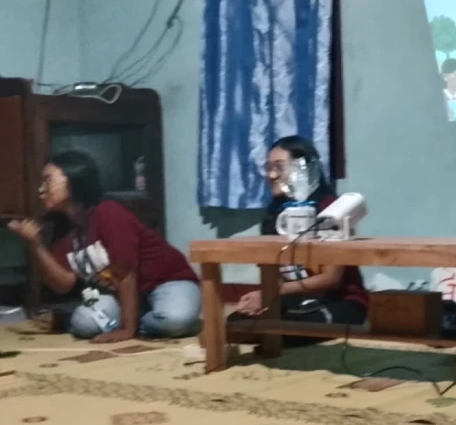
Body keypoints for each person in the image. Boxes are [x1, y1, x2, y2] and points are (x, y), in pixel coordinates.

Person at [9, 150, 200, 342]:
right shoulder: (62, 227)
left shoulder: (108, 212)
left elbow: (125, 272)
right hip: (119, 294)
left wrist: (127, 329)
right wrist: (36, 245)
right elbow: (64, 284)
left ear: (74, 179)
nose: (41, 189)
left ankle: (135, 319)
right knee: (83, 324)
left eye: (47, 180)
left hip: (166, 282)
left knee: (175, 320)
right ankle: (136, 316)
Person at [229, 136, 368, 338]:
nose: (271, 175)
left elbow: (332, 279)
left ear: (304, 169)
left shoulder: (331, 210)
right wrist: (264, 298)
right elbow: (273, 275)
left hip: (339, 300)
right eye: (268, 167)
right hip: (296, 297)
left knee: (286, 331)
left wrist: (270, 293)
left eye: (279, 167)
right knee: (235, 325)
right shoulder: (275, 215)